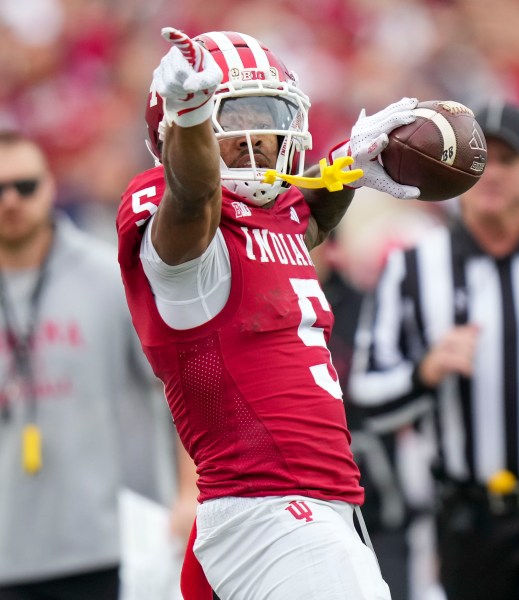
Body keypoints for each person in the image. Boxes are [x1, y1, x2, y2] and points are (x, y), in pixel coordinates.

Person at [116, 26, 422, 600]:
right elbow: (193, 201)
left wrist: (347, 166)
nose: (255, 139)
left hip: (304, 508)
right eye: (232, 119)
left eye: (268, 115)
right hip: (270, 511)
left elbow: (301, 220)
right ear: (184, 122)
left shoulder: (272, 215)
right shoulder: (184, 233)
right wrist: (187, 119)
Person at [349, 99, 519, 600]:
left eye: (509, 160)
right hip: (467, 517)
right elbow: (364, 398)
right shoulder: (414, 268)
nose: (494, 174)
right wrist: (426, 372)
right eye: (480, 160)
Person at [0, 131, 187, 600]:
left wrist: (192, 492)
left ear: (50, 186)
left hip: (107, 545)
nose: (11, 201)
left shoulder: (110, 277)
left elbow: (180, 386)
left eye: (24, 186)